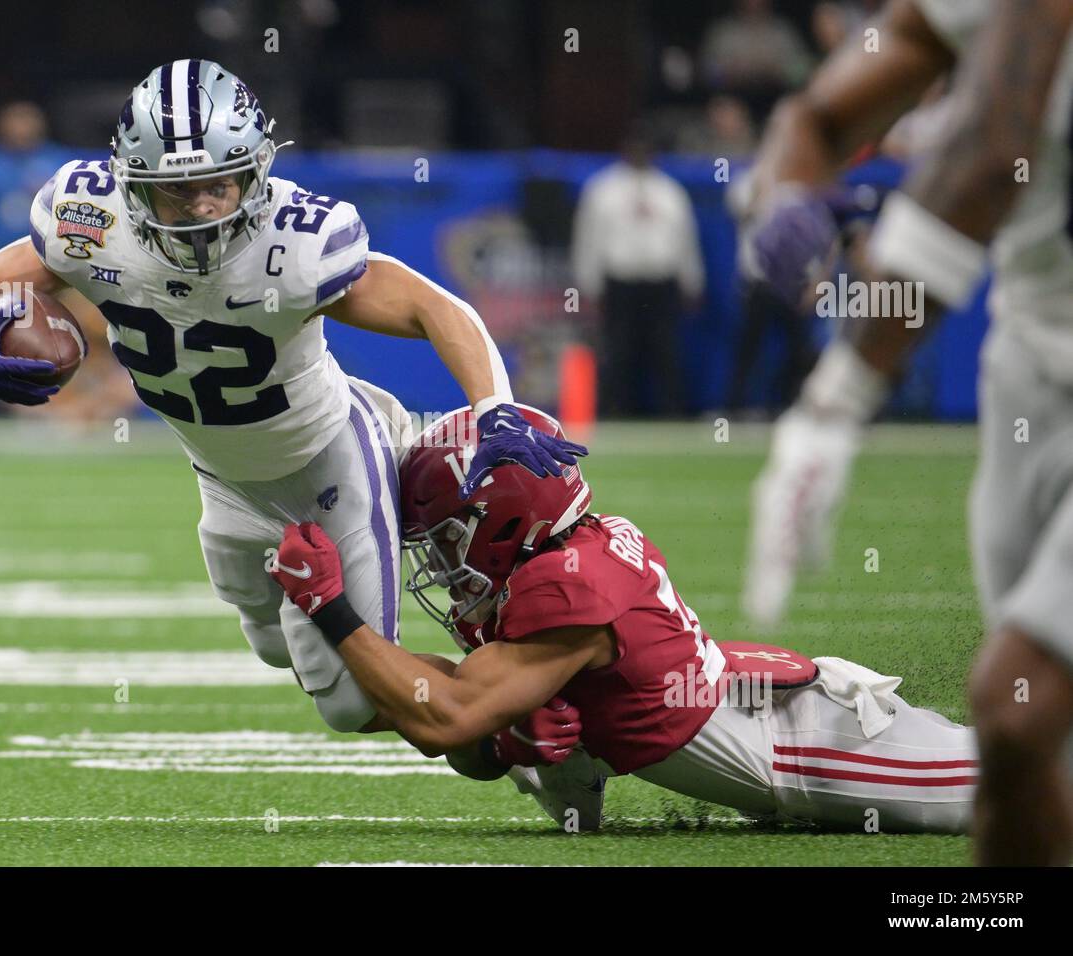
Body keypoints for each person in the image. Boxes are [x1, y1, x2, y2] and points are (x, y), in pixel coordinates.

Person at [0, 59, 586, 734]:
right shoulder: (90, 220)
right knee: (278, 648)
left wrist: (495, 407)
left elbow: (429, 305)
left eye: (221, 181)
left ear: (256, 166)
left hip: (331, 462)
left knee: (352, 700)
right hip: (224, 481)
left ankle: (519, 714)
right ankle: (501, 713)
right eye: (179, 192)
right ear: (130, 186)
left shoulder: (294, 242)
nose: (206, 205)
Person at [267, 406, 977, 834]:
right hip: (744, 708)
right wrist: (512, 740)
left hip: (805, 746)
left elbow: (444, 715)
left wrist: (333, 611)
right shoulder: (555, 559)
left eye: (451, 534)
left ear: (505, 514)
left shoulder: (564, 586)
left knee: (1006, 792)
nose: (444, 559)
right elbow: (461, 738)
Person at [738, 0, 1073, 864]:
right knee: (1031, 751)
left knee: (1014, 709)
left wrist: (836, 400)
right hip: (1032, 366)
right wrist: (784, 204)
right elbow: (815, 116)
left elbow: (991, 156)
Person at [571, 122, 704, 418]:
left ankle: (673, 413)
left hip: (661, 281)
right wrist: (589, 283)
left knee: (666, 350)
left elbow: (685, 239)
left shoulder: (669, 191)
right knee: (618, 350)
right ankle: (614, 412)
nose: (640, 153)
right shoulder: (603, 189)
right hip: (621, 281)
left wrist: (691, 280)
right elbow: (589, 238)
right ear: (624, 150)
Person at [0, 102, 71, 277]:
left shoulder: (61, 164)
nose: (22, 128)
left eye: (27, 119)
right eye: (16, 120)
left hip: (51, 264)